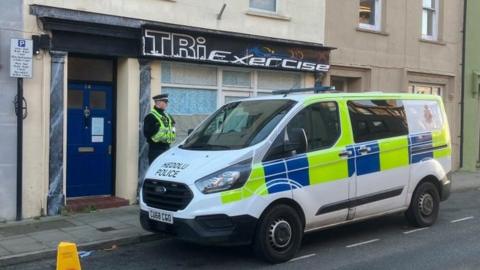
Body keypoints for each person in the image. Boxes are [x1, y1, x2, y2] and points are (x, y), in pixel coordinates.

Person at [143, 94, 176, 164]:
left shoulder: (167, 116)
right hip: (156, 149)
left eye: (167, 102)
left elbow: (172, 128)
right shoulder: (151, 116)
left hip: (167, 148)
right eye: (165, 102)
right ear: (158, 102)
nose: (167, 104)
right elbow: (147, 133)